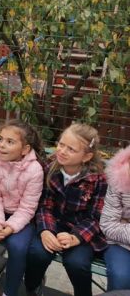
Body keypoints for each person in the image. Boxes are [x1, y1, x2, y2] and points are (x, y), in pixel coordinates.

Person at [24, 123, 107, 296]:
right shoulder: (50, 168)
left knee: (77, 263)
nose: (62, 151)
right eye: (61, 144)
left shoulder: (98, 180)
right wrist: (45, 231)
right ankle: (32, 286)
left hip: (81, 232)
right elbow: (44, 204)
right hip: (53, 224)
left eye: (71, 149)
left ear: (86, 156)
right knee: (37, 253)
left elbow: (96, 217)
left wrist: (76, 237)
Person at [0, 120, 45, 296]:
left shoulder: (35, 170)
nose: (2, 145)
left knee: (17, 247)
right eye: (1, 139)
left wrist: (9, 227)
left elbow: (28, 208)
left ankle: (9, 292)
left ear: (25, 149)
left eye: (10, 142)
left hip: (22, 217)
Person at [101, 145, 130, 291]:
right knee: (121, 277)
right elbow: (108, 224)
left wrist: (124, 223)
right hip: (120, 244)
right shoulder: (119, 177)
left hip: (122, 232)